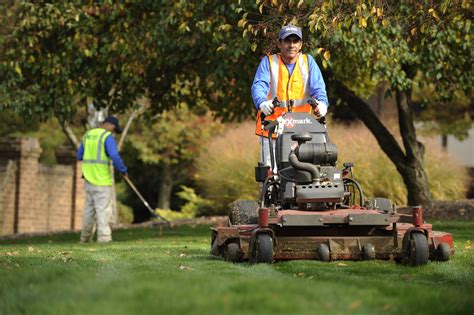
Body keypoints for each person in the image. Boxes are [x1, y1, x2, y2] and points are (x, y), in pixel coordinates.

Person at [251, 24, 329, 168]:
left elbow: (319, 89)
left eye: (295, 41)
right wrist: (262, 102)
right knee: (272, 177)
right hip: (272, 130)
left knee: (307, 173)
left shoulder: (308, 62)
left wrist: (322, 104)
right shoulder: (268, 62)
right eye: (287, 41)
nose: (291, 45)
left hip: (302, 132)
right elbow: (259, 86)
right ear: (279, 44)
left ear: (300, 45)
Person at [77, 116, 128, 243]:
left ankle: (85, 239)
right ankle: (104, 239)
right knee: (103, 210)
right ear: (110, 125)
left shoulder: (88, 135)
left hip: (88, 179)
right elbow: (114, 156)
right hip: (102, 180)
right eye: (114, 130)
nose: (113, 133)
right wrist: (123, 170)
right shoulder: (107, 137)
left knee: (89, 210)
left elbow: (79, 155)